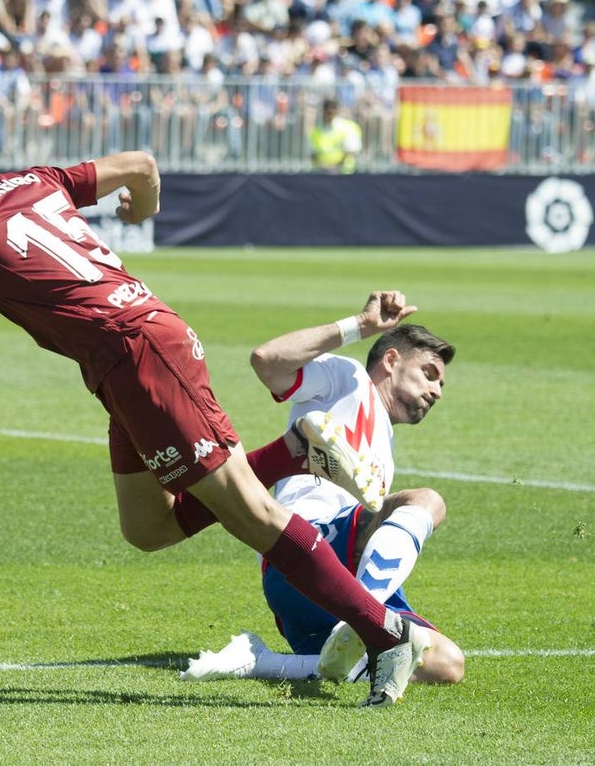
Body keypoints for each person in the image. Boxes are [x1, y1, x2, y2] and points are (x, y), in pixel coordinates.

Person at [0, 129, 433, 708]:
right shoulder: (24, 180)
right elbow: (141, 166)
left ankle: (384, 633)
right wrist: (141, 208)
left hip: (137, 355)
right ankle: (291, 453)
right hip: (124, 359)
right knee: (147, 526)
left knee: (253, 515)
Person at [181, 294, 465, 687]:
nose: (437, 391)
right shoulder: (347, 379)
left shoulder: (385, 446)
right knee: (427, 501)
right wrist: (361, 327)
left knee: (448, 665)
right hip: (308, 541)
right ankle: (368, 613)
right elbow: (267, 360)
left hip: (312, 592)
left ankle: (263, 661)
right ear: (392, 360)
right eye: (430, 373)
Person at [310, 97, 363, 174]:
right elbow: (313, 155)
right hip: (322, 174)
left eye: (333, 108)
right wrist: (324, 166)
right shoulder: (316, 131)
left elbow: (350, 152)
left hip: (344, 175)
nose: (330, 111)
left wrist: (334, 167)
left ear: (337, 110)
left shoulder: (348, 127)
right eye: (327, 108)